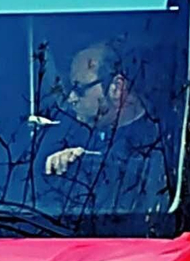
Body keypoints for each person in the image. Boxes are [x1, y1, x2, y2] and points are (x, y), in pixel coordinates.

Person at [43, 42, 158, 176]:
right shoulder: (76, 133)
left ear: (117, 88)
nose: (71, 98)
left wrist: (86, 161)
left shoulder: (154, 144)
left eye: (79, 88)